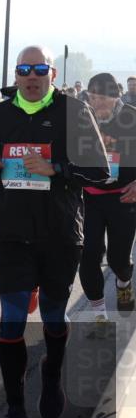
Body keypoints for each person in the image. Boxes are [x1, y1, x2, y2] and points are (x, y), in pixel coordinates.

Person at [0, 46, 110, 418]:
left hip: (60, 234)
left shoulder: (74, 112)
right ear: (16, 75)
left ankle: (52, 372)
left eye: (39, 69)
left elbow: (100, 172)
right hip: (12, 233)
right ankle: (15, 413)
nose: (31, 76)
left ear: (52, 73)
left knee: (54, 316)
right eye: (24, 70)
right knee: (13, 317)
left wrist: (56, 168)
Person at [78, 73, 136, 327]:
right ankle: (99, 314)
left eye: (102, 98)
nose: (97, 104)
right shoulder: (82, 119)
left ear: (115, 96)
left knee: (118, 259)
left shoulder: (131, 117)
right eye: (92, 98)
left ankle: (124, 282)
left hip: (124, 197)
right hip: (90, 198)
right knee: (89, 255)